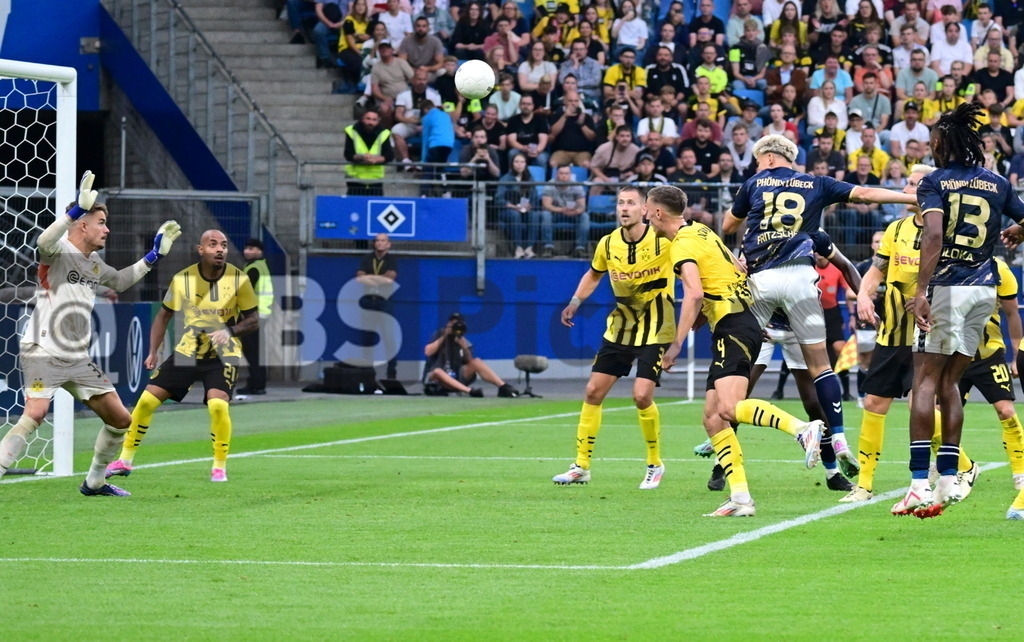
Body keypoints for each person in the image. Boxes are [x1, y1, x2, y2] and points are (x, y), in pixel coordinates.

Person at [722, 134, 917, 482]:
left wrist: (737, 245)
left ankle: (724, 437)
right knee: (822, 367)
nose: (756, 166)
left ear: (769, 157)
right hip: (800, 279)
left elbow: (727, 226)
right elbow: (865, 193)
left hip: (761, 282)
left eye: (758, 160)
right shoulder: (817, 184)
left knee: (737, 371)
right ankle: (839, 438)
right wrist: (912, 197)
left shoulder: (753, 184)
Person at [649, 185, 825, 517]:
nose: (646, 216)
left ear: (658, 212)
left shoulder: (681, 245)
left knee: (729, 408)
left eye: (647, 210)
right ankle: (740, 497)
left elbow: (694, 293)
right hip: (739, 322)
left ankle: (802, 429)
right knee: (712, 417)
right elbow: (737, 268)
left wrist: (676, 344)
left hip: (733, 326)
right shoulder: (701, 231)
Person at [0, 173, 180, 497]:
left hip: (77, 357)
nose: (107, 229)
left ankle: (95, 482)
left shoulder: (94, 262)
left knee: (120, 420)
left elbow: (120, 281)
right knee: (36, 413)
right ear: (82, 225)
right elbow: (42, 242)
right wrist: (73, 211)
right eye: (101, 222)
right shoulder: (59, 250)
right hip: (43, 348)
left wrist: (153, 256)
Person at [898, 102, 1024, 518]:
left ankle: (918, 483)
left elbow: (933, 234)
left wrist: (921, 291)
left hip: (947, 288)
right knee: (950, 381)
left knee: (924, 382)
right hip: (983, 291)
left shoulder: (934, 182)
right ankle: (949, 478)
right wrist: (1019, 230)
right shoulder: (997, 182)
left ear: (940, 144)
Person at [844, 165, 979, 503]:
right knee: (873, 403)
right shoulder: (896, 228)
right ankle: (864, 485)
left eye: (914, 184)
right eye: (906, 183)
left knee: (919, 408)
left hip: (929, 332)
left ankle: (963, 465)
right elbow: (877, 269)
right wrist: (864, 296)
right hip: (892, 333)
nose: (906, 189)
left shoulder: (949, 232)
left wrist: (928, 298)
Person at [105, 229, 255, 483]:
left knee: (218, 405)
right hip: (187, 352)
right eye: (213, 244)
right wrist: (153, 351)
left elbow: (253, 320)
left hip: (223, 355)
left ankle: (219, 467)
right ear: (201, 249)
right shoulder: (182, 279)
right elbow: (163, 315)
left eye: (223, 245)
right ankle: (125, 461)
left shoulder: (239, 279)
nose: (220, 249)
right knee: (146, 402)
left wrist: (230, 331)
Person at [551, 186, 675, 489]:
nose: (624, 208)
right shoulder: (607, 243)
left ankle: (655, 463)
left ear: (644, 210)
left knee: (641, 396)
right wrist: (575, 301)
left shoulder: (664, 241)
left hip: (657, 327)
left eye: (631, 203)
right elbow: (594, 274)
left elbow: (698, 260)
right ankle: (581, 466)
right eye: (620, 203)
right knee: (593, 392)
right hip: (621, 327)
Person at [423, 313, 519, 397]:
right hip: (437, 379)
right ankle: (469, 391)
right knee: (437, 371)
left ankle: (503, 386)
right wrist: (444, 336)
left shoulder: (462, 340)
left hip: (456, 377)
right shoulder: (439, 334)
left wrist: (464, 347)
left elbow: (470, 361)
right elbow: (428, 352)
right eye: (452, 324)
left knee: (477, 361)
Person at [355, 233, 399, 380]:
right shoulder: (367, 259)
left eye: (383, 240)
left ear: (388, 244)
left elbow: (389, 279)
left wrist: (370, 278)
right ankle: (367, 372)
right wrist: (379, 279)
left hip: (384, 302)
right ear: (374, 244)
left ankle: (391, 372)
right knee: (367, 338)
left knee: (388, 337)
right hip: (368, 301)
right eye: (377, 240)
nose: (380, 243)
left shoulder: (391, 260)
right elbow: (359, 277)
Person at [237, 239, 273, 396]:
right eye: (246, 248)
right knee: (256, 351)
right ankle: (258, 384)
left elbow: (245, 292)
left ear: (260, 251)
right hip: (261, 314)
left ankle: (256, 384)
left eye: (251, 248)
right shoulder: (261, 265)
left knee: (252, 351)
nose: (247, 251)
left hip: (252, 316)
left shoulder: (253, 268)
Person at [540, 165, 588, 258]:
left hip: (572, 214)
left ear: (570, 175)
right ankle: (548, 247)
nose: (564, 176)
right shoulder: (550, 185)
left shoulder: (576, 186)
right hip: (555, 214)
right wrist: (562, 210)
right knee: (546, 214)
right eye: (561, 173)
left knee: (584, 216)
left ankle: (580, 248)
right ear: (556, 174)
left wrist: (576, 211)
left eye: (566, 173)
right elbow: (546, 206)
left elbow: (582, 206)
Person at [344, 109, 393, 196]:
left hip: (375, 180)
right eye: (368, 119)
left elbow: (389, 155)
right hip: (355, 179)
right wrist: (362, 157)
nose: (370, 122)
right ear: (362, 119)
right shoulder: (351, 131)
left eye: (374, 120)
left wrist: (376, 160)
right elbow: (348, 154)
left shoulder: (384, 133)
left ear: (379, 121)